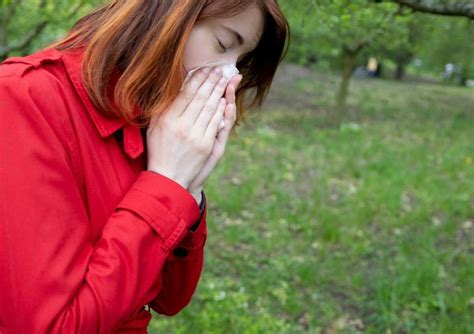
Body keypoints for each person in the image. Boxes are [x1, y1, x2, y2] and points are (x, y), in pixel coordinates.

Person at [0, 0, 289, 333]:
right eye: (223, 45)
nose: (230, 77)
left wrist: (189, 187)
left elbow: (171, 297)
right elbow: (52, 325)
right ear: (165, 15)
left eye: (239, 61)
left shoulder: (149, 111)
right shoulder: (25, 98)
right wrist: (167, 181)